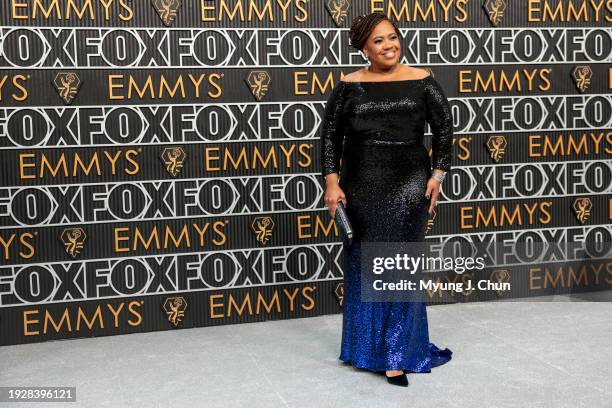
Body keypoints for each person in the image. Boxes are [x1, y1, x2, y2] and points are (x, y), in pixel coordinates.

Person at [320, 13, 453, 387]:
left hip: (408, 182)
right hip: (361, 183)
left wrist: (437, 176)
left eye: (392, 37)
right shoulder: (349, 85)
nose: (388, 45)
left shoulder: (422, 80)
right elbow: (330, 139)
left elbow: (445, 130)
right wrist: (332, 184)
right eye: (378, 40)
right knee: (365, 263)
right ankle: (364, 349)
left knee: (398, 262)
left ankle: (397, 355)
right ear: (364, 47)